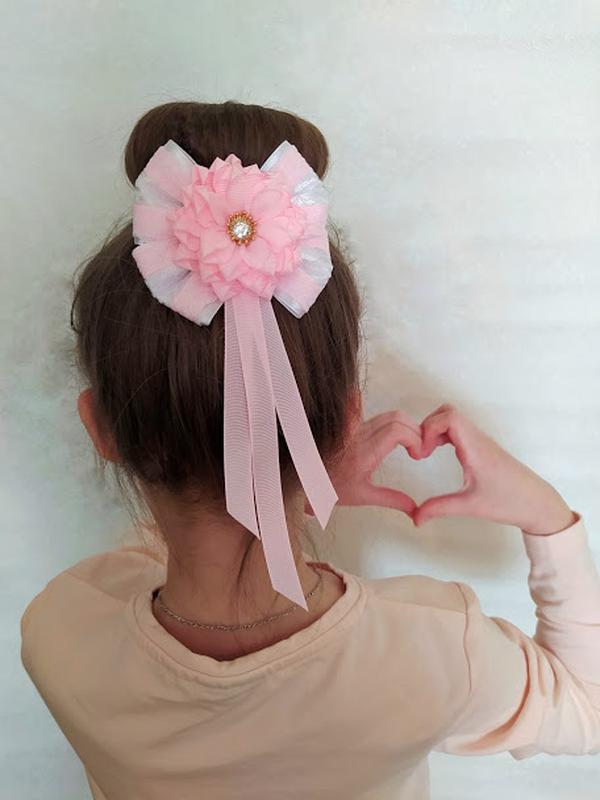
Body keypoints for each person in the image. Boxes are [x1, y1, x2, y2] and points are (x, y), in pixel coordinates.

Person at [20, 100, 600, 800]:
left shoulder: (60, 631)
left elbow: (159, 548)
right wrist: (548, 517)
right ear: (347, 420)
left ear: (100, 427)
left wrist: (283, 482)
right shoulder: (433, 652)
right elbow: (585, 705)